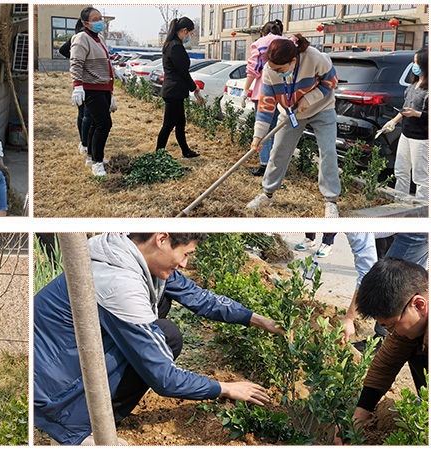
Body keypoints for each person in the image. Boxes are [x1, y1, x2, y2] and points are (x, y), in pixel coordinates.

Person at [34, 233, 283, 445]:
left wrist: (258, 319)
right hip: (52, 390)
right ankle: (80, 426)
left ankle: (93, 413)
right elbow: (164, 378)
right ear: (162, 239)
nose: (185, 264)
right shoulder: (119, 284)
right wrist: (226, 388)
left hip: (62, 356)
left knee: (162, 309)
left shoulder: (130, 252)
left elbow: (198, 297)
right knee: (166, 338)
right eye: (185, 254)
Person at [246, 35, 341, 217]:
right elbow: (266, 106)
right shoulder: (269, 70)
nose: (276, 72)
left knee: (328, 151)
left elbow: (331, 81)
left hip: (322, 107)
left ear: (293, 61)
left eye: (280, 69)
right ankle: (267, 193)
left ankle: (331, 201)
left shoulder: (315, 58)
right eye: (273, 69)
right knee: (278, 151)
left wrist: (310, 98)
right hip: (291, 112)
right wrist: (258, 137)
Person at [338, 258, 428, 443]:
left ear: (419, 305)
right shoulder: (412, 321)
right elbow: (386, 365)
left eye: (391, 326)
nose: (391, 333)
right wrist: (354, 425)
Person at [70, 7, 117, 176]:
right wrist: (77, 85)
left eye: (100, 18)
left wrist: (114, 72)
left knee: (96, 124)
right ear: (85, 23)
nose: (99, 22)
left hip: (103, 87)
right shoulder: (81, 38)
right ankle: (97, 163)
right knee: (105, 124)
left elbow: (105, 59)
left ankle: (91, 156)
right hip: (92, 88)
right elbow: (76, 62)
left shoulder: (99, 38)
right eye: (95, 19)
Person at [378, 48, 428, 202]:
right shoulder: (413, 84)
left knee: (421, 177)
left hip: (422, 138)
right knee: (401, 171)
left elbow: (418, 112)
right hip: (405, 134)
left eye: (417, 62)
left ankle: (422, 207)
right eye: (413, 62)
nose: (414, 65)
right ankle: (400, 202)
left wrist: (417, 114)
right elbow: (406, 108)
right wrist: (393, 121)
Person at [241, 20, 286, 176]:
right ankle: (276, 164)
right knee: (277, 130)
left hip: (264, 92)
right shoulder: (288, 44)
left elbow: (253, 69)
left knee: (262, 129)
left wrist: (245, 91)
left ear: (262, 32)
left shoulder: (261, 43)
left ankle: (265, 165)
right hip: (284, 94)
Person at [156, 17, 201, 159]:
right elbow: (182, 71)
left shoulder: (171, 44)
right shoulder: (175, 46)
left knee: (180, 123)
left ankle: (186, 151)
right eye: (190, 34)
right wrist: (194, 87)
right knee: (168, 125)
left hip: (175, 91)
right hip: (174, 91)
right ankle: (158, 155)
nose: (189, 37)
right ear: (184, 30)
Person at [57, 20, 92, 156]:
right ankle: (84, 143)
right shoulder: (80, 37)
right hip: (83, 81)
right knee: (85, 114)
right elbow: (62, 50)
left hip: (86, 80)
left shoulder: (90, 38)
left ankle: (84, 141)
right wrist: (75, 58)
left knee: (83, 113)